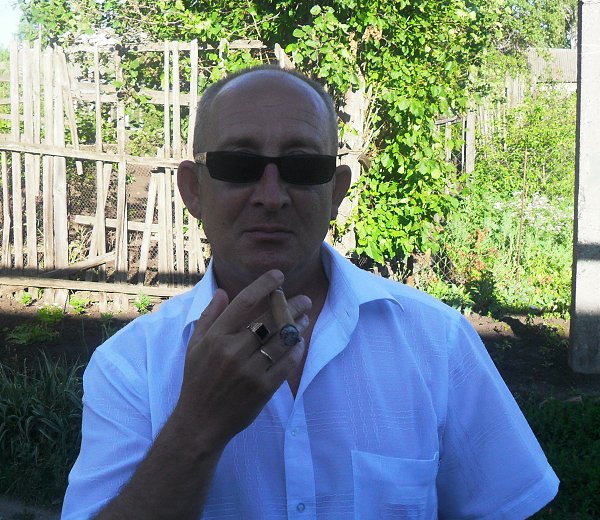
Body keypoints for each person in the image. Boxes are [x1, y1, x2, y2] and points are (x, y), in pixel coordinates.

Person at [62, 65, 559, 519]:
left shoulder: (437, 341)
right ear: (193, 189)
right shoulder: (131, 366)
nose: (271, 196)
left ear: (336, 190)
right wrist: (196, 426)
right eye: (239, 164)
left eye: (301, 168)